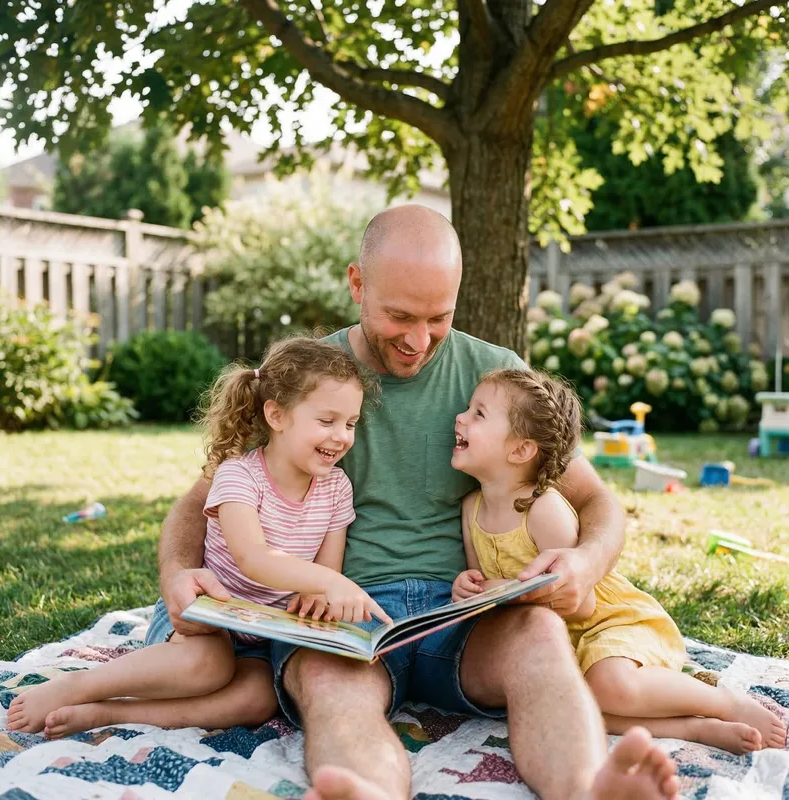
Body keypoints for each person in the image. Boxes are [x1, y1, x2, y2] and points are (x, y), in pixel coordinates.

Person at [123, 205, 681, 800]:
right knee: (332, 687)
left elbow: (595, 498)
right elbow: (201, 501)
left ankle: (589, 790)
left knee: (541, 635)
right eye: (399, 316)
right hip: (342, 620)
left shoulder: (496, 377)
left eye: (439, 318)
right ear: (357, 285)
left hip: (467, 615)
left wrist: (584, 563)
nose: (418, 341)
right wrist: (180, 574)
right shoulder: (309, 381)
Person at [7, 336, 389, 738]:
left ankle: (109, 713)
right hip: (204, 618)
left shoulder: (336, 488)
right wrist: (331, 583)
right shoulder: (239, 476)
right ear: (276, 415)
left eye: (350, 424)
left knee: (259, 699)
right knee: (211, 665)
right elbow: (253, 557)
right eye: (327, 421)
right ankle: (77, 687)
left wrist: (321, 595)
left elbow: (326, 570)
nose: (341, 437)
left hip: (264, 636)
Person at [451, 367, 787, 755]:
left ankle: (726, 703)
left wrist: (504, 592)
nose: (460, 417)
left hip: (607, 624)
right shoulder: (470, 508)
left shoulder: (543, 510)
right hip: (558, 643)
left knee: (610, 687)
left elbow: (582, 603)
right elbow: (483, 584)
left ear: (521, 450)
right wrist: (470, 587)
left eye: (478, 413)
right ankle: (695, 730)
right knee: (577, 706)